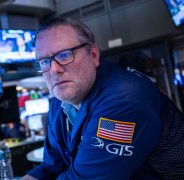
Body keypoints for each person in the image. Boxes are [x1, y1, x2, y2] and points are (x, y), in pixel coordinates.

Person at [22, 17, 184, 179]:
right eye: (44, 62)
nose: (54, 70)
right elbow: (51, 167)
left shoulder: (124, 99)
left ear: (93, 55)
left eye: (64, 55)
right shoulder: (59, 103)